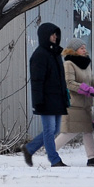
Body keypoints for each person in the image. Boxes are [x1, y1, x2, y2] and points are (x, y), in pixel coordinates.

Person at [22, 22, 68, 167]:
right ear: (45, 35)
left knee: (55, 130)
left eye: (56, 34)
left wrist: (64, 97)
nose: (55, 37)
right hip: (46, 99)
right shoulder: (39, 55)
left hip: (57, 99)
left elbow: (61, 79)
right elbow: (37, 81)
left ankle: (29, 149)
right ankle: (54, 160)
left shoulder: (55, 54)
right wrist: (38, 101)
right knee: (49, 130)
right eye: (52, 34)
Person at [54, 38, 94, 166]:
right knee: (70, 131)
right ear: (74, 50)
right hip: (73, 104)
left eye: (84, 47)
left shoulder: (86, 63)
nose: (84, 50)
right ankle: (52, 153)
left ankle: (92, 158)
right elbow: (68, 83)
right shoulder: (68, 64)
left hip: (86, 104)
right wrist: (85, 88)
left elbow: (91, 80)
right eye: (81, 48)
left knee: (88, 130)